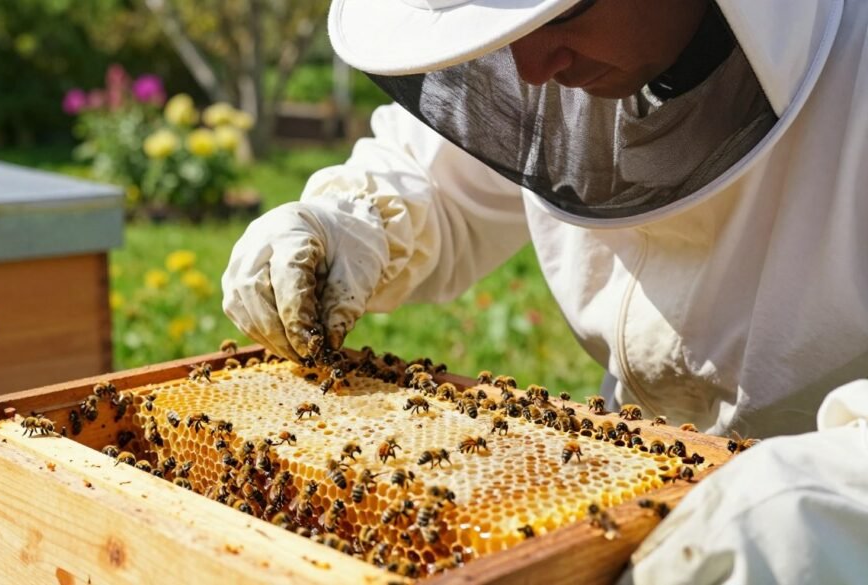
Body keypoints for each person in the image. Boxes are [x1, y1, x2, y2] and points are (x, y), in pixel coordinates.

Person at [222, 1, 868, 581]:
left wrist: (805, 508)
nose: (530, 67)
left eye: (560, 15)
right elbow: (437, 176)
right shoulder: (566, 64)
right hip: (627, 482)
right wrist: (350, 225)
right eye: (506, 27)